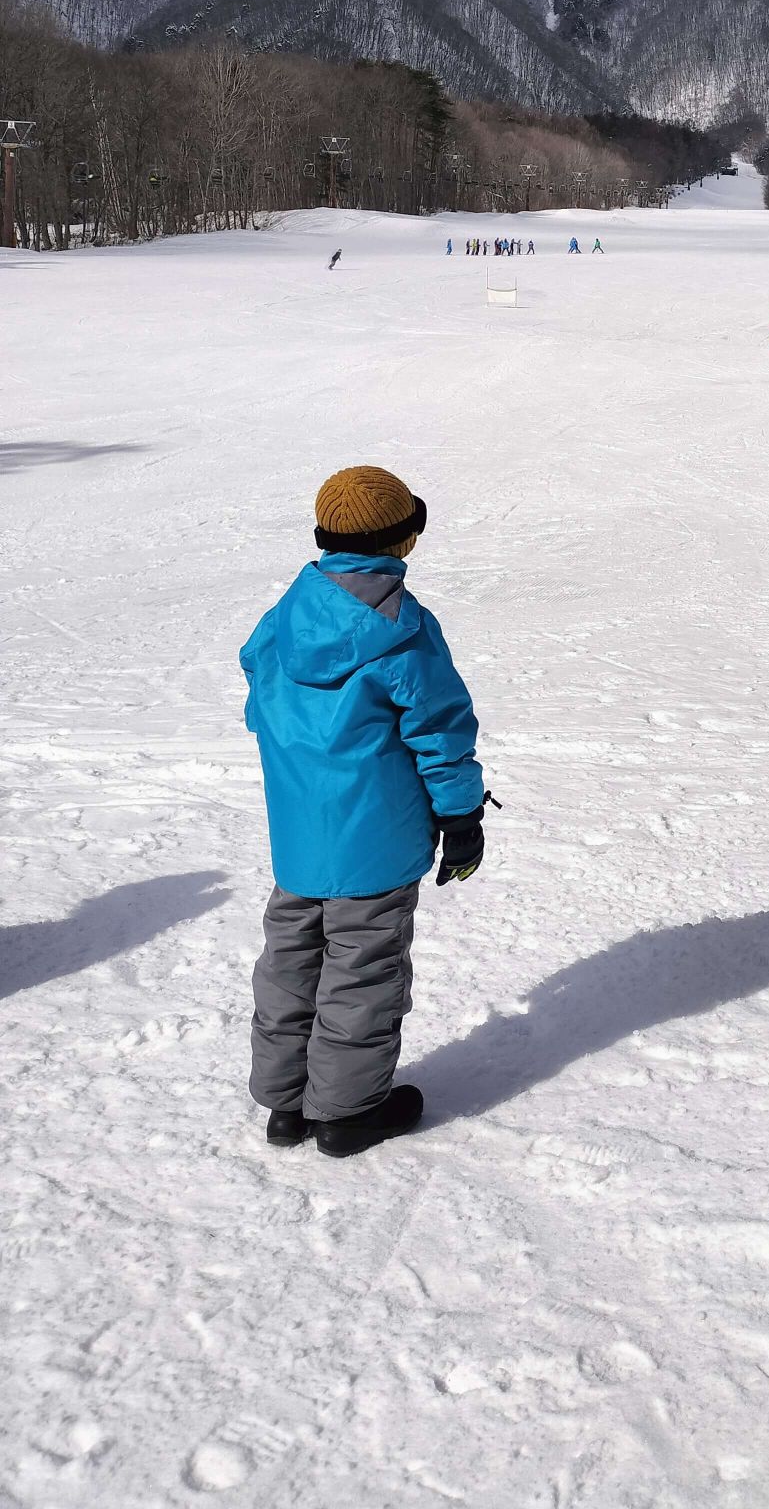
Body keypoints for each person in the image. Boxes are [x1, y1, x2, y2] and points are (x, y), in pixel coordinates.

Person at [240, 466, 486, 1159]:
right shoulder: (402, 630)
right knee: (363, 970)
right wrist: (462, 821)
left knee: (292, 958)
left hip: (299, 836)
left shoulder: (284, 614)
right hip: (376, 842)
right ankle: (346, 1113)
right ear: (403, 541)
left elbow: (259, 689)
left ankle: (287, 1103)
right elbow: (439, 732)